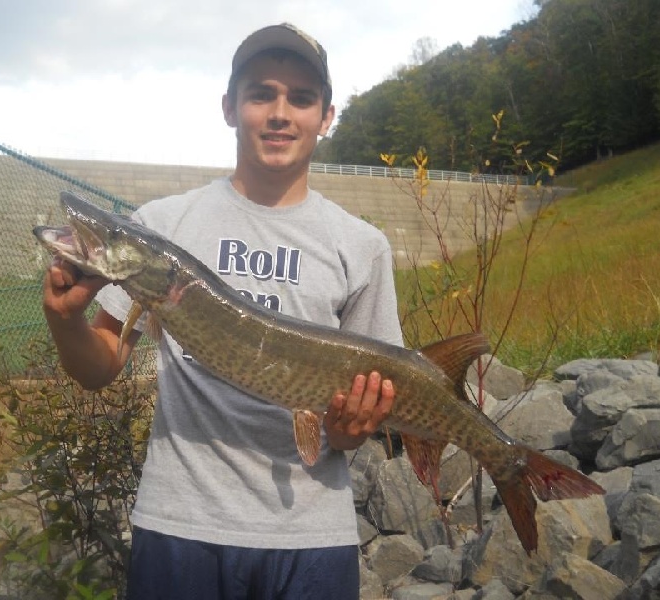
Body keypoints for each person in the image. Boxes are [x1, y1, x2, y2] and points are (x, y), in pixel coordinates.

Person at [42, 23, 404, 600]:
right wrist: (65, 321)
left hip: (312, 535)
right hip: (179, 524)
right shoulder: (162, 225)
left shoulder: (361, 247)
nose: (280, 113)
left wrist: (347, 428)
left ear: (326, 117)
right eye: (261, 93)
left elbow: (356, 421)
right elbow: (99, 366)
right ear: (230, 108)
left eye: (301, 98)